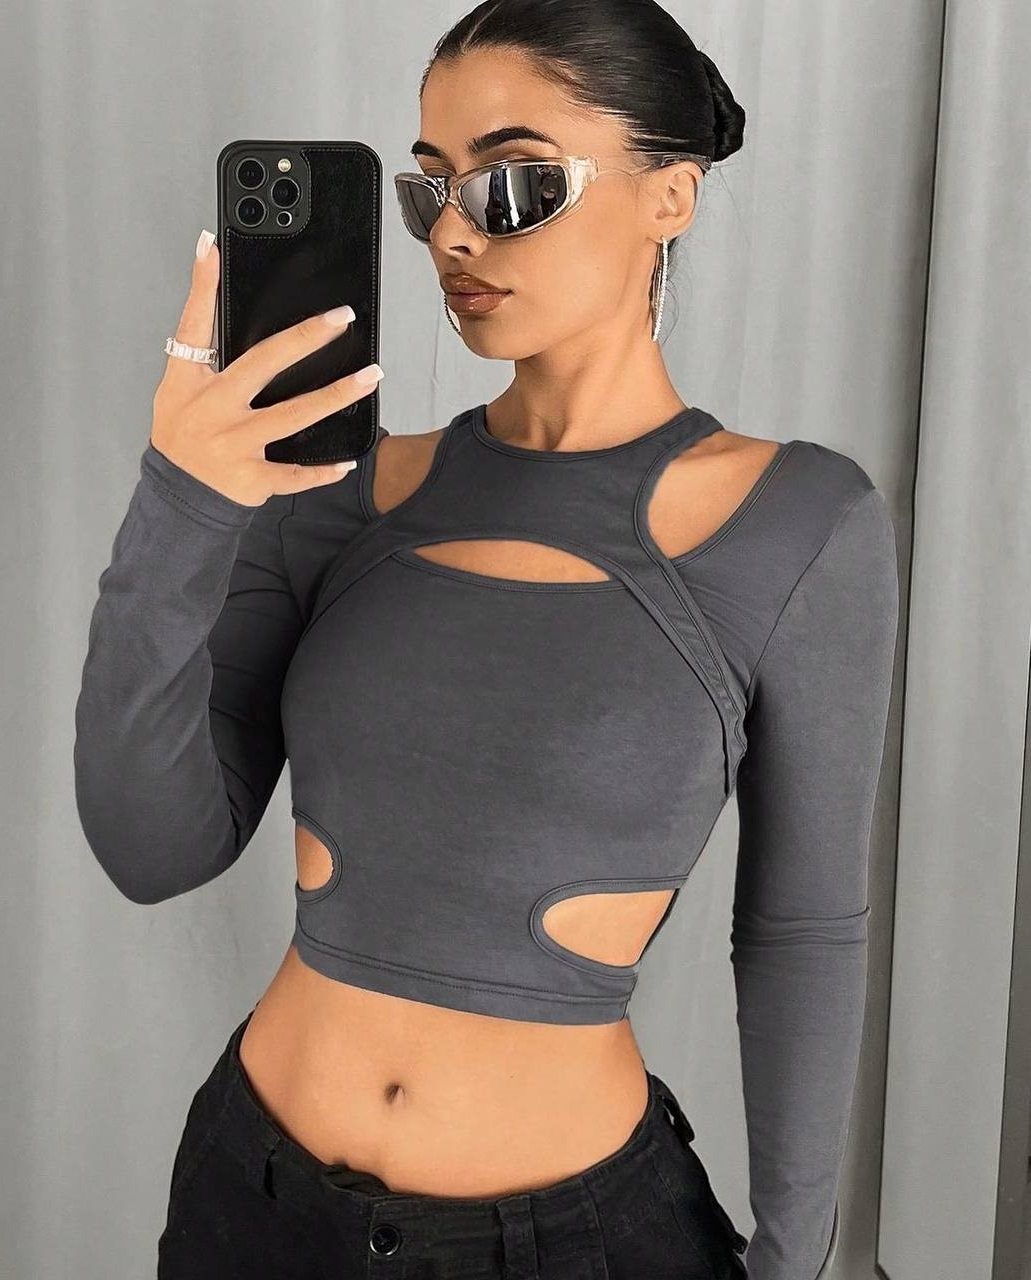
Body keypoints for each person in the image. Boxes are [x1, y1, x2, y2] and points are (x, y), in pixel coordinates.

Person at [72, 2, 899, 1278]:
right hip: (254, 1203)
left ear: (668, 196)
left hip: (564, 1243)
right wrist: (185, 501)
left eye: (514, 184)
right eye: (431, 189)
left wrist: (793, 1259)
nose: (454, 232)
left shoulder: (795, 522)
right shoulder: (338, 493)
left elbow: (801, 932)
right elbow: (150, 847)